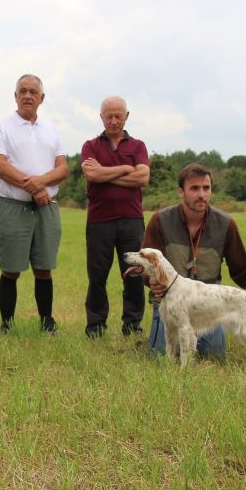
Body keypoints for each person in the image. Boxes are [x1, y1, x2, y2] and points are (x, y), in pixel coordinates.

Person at [142, 163, 246, 358]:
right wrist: (153, 282)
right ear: (181, 192)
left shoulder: (225, 224)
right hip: (170, 303)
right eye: (195, 188)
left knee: (214, 354)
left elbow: (245, 271)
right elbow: (145, 266)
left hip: (208, 307)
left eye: (206, 188)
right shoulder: (160, 220)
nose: (202, 194)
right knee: (160, 355)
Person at [0, 74, 69, 334]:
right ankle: (7, 324)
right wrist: (33, 188)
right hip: (13, 207)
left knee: (44, 268)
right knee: (11, 269)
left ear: (41, 98)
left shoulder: (51, 130)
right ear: (15, 96)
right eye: (23, 91)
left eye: (33, 92)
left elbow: (63, 168)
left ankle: (47, 321)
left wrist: (40, 185)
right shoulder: (2, 127)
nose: (28, 96)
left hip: (47, 207)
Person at [81, 96, 151, 338]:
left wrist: (105, 173)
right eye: (108, 116)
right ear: (101, 117)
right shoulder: (90, 146)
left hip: (131, 220)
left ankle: (133, 325)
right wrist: (125, 169)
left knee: (133, 273)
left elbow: (143, 178)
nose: (113, 120)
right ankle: (96, 326)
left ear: (126, 116)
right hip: (99, 221)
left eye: (118, 115)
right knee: (97, 276)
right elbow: (92, 176)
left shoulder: (138, 146)